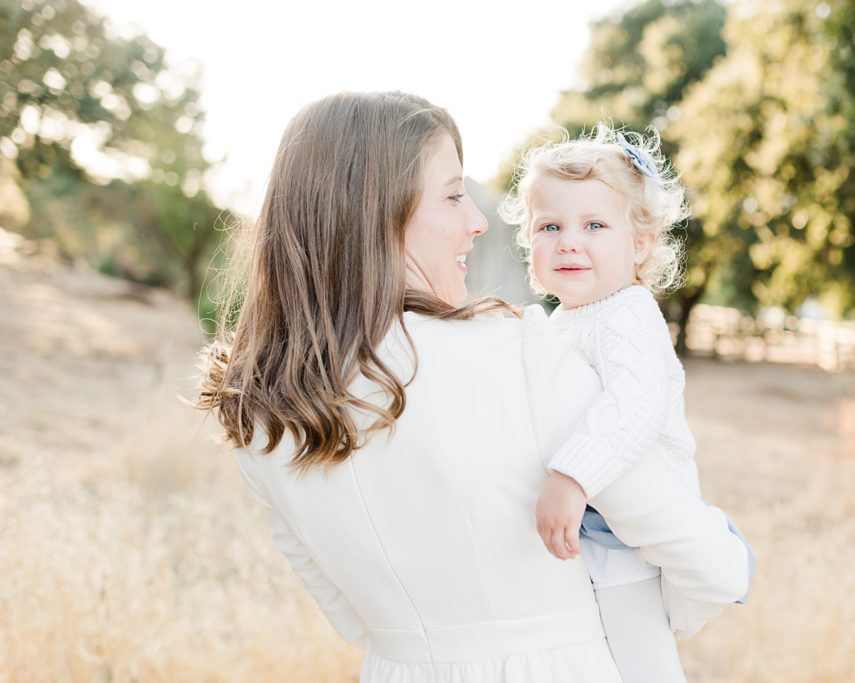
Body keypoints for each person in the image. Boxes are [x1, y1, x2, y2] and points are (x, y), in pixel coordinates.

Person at [197, 91, 750, 683]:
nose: (480, 221)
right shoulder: (522, 354)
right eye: (454, 195)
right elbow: (709, 566)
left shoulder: (253, 404)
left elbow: (347, 616)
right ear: (379, 209)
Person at [500, 124, 755, 682]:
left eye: (594, 224)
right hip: (592, 523)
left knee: (641, 665)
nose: (569, 240)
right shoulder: (566, 320)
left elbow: (632, 409)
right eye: (550, 226)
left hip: (630, 534)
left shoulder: (628, 314)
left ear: (640, 243)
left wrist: (572, 478)